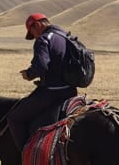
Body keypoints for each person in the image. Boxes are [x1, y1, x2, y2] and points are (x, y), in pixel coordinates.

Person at [7, 13, 78, 152]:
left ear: (37, 25)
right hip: (70, 90)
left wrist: (29, 74)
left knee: (14, 118)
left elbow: (41, 65)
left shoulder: (44, 40)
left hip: (52, 92)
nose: (34, 36)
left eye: (32, 32)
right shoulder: (65, 36)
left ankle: (26, 157)